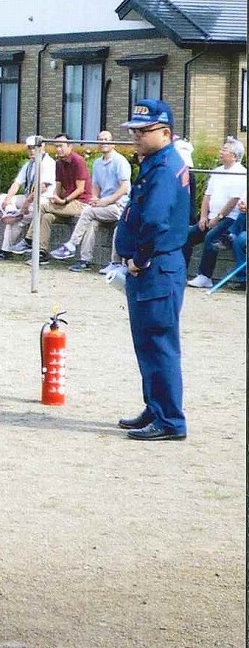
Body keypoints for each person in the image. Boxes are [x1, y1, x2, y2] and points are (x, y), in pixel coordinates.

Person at [115, 100, 191, 442]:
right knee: (147, 343)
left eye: (143, 131)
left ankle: (170, 419)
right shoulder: (157, 162)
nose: (136, 136)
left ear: (165, 132)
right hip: (155, 266)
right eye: (134, 130)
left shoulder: (163, 167)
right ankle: (156, 407)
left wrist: (139, 259)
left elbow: (156, 219)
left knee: (159, 343)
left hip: (156, 266)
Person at [50, 129, 133, 272]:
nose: (103, 142)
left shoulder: (120, 161)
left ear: (113, 143)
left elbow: (125, 188)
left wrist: (106, 201)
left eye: (107, 140)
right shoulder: (97, 164)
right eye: (100, 140)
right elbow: (95, 186)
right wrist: (95, 198)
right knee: (91, 223)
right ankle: (84, 260)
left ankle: (71, 245)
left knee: (88, 212)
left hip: (119, 206)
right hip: (103, 207)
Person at [185, 136, 246, 289]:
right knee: (187, 236)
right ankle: (181, 271)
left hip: (229, 219)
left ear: (235, 156)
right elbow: (207, 195)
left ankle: (205, 276)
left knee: (212, 238)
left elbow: (234, 200)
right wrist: (204, 216)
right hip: (211, 217)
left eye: (225, 150)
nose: (221, 152)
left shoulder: (240, 173)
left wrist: (218, 217)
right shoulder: (217, 171)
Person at [27, 133, 92, 262]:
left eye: (61, 146)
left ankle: (28, 239)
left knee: (42, 206)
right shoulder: (59, 163)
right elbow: (58, 186)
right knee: (46, 217)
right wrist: (55, 197)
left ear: (70, 146)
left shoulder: (78, 161)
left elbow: (81, 189)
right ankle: (42, 252)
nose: (58, 149)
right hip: (66, 204)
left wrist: (64, 200)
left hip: (80, 203)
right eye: (56, 146)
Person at [0, 137, 55, 261]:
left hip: (42, 200)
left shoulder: (48, 163)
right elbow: (17, 183)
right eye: (29, 148)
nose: (31, 151)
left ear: (42, 147)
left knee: (18, 220)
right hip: (28, 198)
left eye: (34, 148)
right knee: (3, 197)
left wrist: (26, 203)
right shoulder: (29, 164)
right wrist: (7, 201)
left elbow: (42, 187)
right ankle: (12, 212)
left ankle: (6, 250)